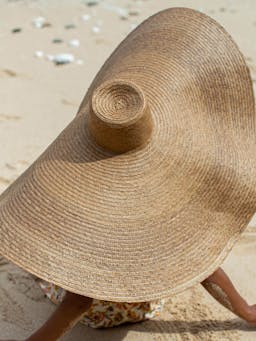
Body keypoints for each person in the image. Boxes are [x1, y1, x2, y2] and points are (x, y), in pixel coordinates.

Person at [1, 7, 256, 341]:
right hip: (144, 296)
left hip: (97, 310)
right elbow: (207, 268)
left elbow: (79, 299)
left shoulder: (81, 190)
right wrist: (244, 309)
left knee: (57, 239)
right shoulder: (168, 190)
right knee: (190, 247)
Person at [1, 267, 256, 341]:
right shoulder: (159, 225)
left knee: (43, 266)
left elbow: (77, 304)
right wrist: (244, 309)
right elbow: (207, 268)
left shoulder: (88, 235)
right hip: (145, 306)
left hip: (96, 316)